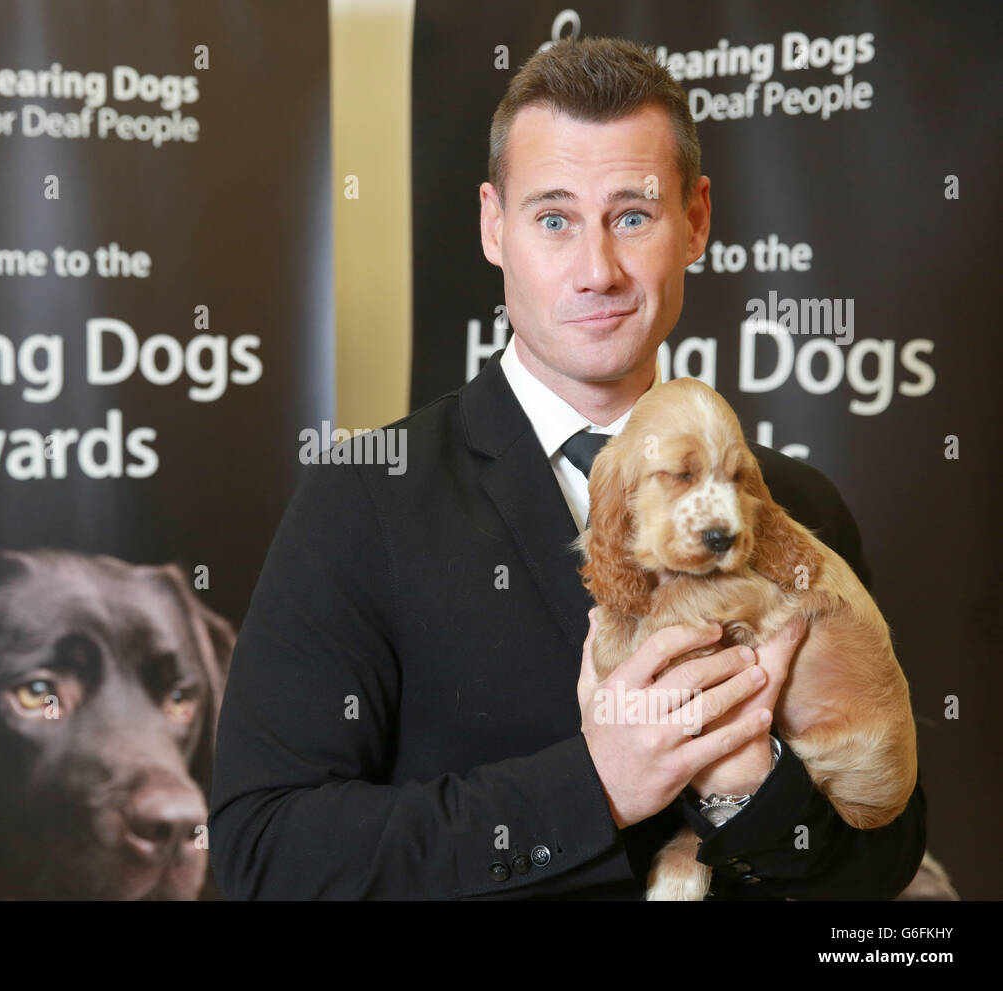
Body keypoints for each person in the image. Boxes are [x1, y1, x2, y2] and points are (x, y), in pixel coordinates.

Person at [207, 36, 926, 900]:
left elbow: (885, 856)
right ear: (492, 225)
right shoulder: (363, 498)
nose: (599, 270)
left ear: (695, 221)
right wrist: (596, 790)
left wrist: (750, 792)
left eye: (633, 214)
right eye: (554, 218)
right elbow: (265, 851)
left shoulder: (797, 506)